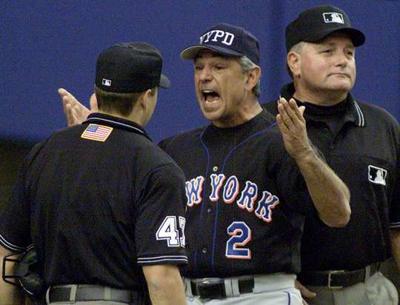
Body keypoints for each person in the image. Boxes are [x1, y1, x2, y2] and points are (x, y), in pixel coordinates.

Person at [57, 23, 351, 305]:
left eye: (218, 67)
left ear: (251, 78)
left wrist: (304, 153)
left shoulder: (282, 141)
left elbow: (338, 214)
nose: (204, 77)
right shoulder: (175, 149)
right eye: (199, 68)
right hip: (187, 296)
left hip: (261, 294)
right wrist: (97, 147)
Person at [0, 42, 188, 305]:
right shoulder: (156, 168)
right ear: (146, 97)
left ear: (96, 94)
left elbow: (6, 260)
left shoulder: (44, 153)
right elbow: (161, 278)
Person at [263, 5, 400, 305]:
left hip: (370, 289)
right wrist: (270, 283)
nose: (342, 61)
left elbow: (397, 225)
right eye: (328, 51)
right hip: (292, 293)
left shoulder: (382, 126)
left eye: (349, 53)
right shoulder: (264, 125)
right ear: (294, 62)